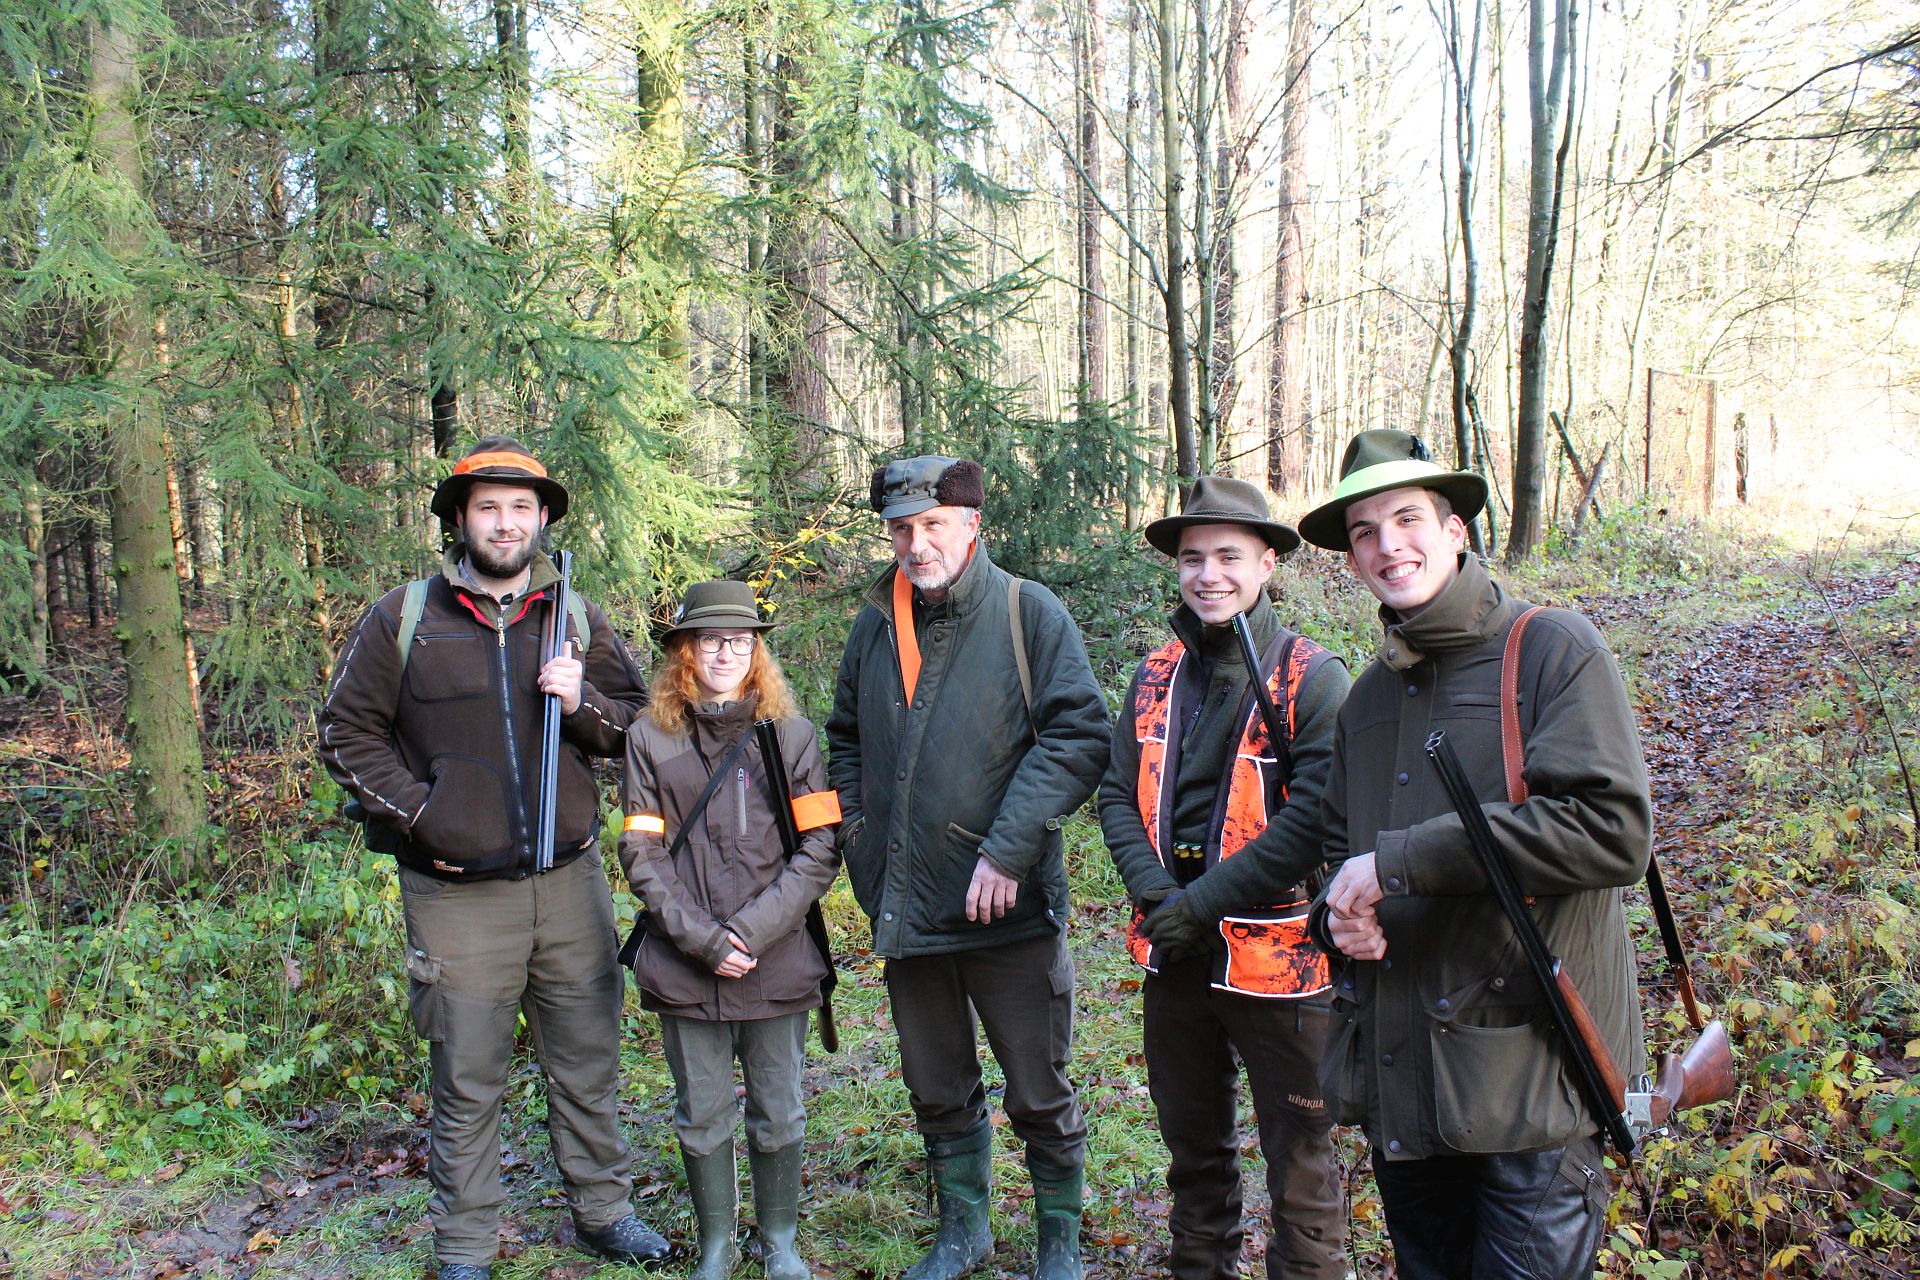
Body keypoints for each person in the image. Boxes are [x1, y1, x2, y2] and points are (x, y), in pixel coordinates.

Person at [1299, 429, 1653, 1280]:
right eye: (1364, 532)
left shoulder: (1553, 650)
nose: (1387, 546)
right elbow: (1340, 863)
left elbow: (1612, 830)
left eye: (1407, 520)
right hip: (1406, 1088)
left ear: (1454, 529)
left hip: (1531, 1091)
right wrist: (1334, 921)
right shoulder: (1366, 702)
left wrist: (1400, 862)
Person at [318, 436, 670, 1280]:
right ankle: (467, 1248)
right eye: (487, 508)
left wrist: (580, 700)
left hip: (570, 882)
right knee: (467, 1076)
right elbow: (346, 734)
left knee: (586, 1060)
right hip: (455, 896)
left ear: (542, 518)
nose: (505, 523)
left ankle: (603, 1212)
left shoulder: (575, 615)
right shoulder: (404, 617)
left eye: (520, 507)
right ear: (460, 520)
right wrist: (425, 815)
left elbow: (638, 726)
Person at [824, 455, 1111, 1280]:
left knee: (1038, 1090)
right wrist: (860, 839)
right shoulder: (877, 622)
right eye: (901, 530)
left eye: (933, 526)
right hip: (908, 906)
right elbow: (845, 738)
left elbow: (1078, 736)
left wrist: (1007, 850)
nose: (917, 545)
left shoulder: (1028, 612)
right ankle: (964, 1232)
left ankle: (1058, 1240)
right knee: (936, 1085)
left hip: (1006, 912)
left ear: (972, 524)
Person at [1098, 475, 1350, 1279]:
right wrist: (1157, 897)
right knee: (1193, 1149)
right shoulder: (1155, 673)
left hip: (1281, 962)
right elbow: (1116, 794)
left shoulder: (1312, 677)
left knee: (1300, 1157)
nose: (1208, 574)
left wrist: (1199, 903)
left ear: (1267, 563)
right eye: (1192, 558)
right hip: (1175, 952)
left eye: (1229, 556)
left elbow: (1316, 820)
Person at [618, 580, 840, 1280]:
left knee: (780, 1110)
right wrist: (704, 940)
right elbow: (641, 850)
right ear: (685, 650)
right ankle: (717, 1244)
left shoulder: (792, 737)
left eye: (739, 642)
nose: (725, 654)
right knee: (702, 1113)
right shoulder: (649, 738)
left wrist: (749, 932)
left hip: (777, 960)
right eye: (710, 640)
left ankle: (778, 1242)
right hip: (686, 963)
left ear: (756, 652)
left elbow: (820, 848)